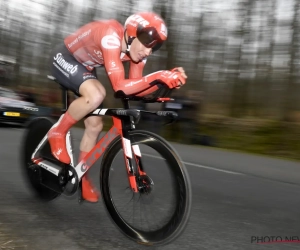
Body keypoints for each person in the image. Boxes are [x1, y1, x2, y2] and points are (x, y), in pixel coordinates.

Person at [48, 12, 188, 202]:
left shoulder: (137, 53)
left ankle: (81, 177)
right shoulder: (110, 36)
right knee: (96, 94)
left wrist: (165, 82)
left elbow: (135, 88)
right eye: (148, 42)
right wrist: (158, 76)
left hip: (86, 68)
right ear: (131, 34)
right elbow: (119, 86)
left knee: (95, 125)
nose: (148, 51)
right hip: (65, 57)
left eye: (154, 47)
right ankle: (57, 132)